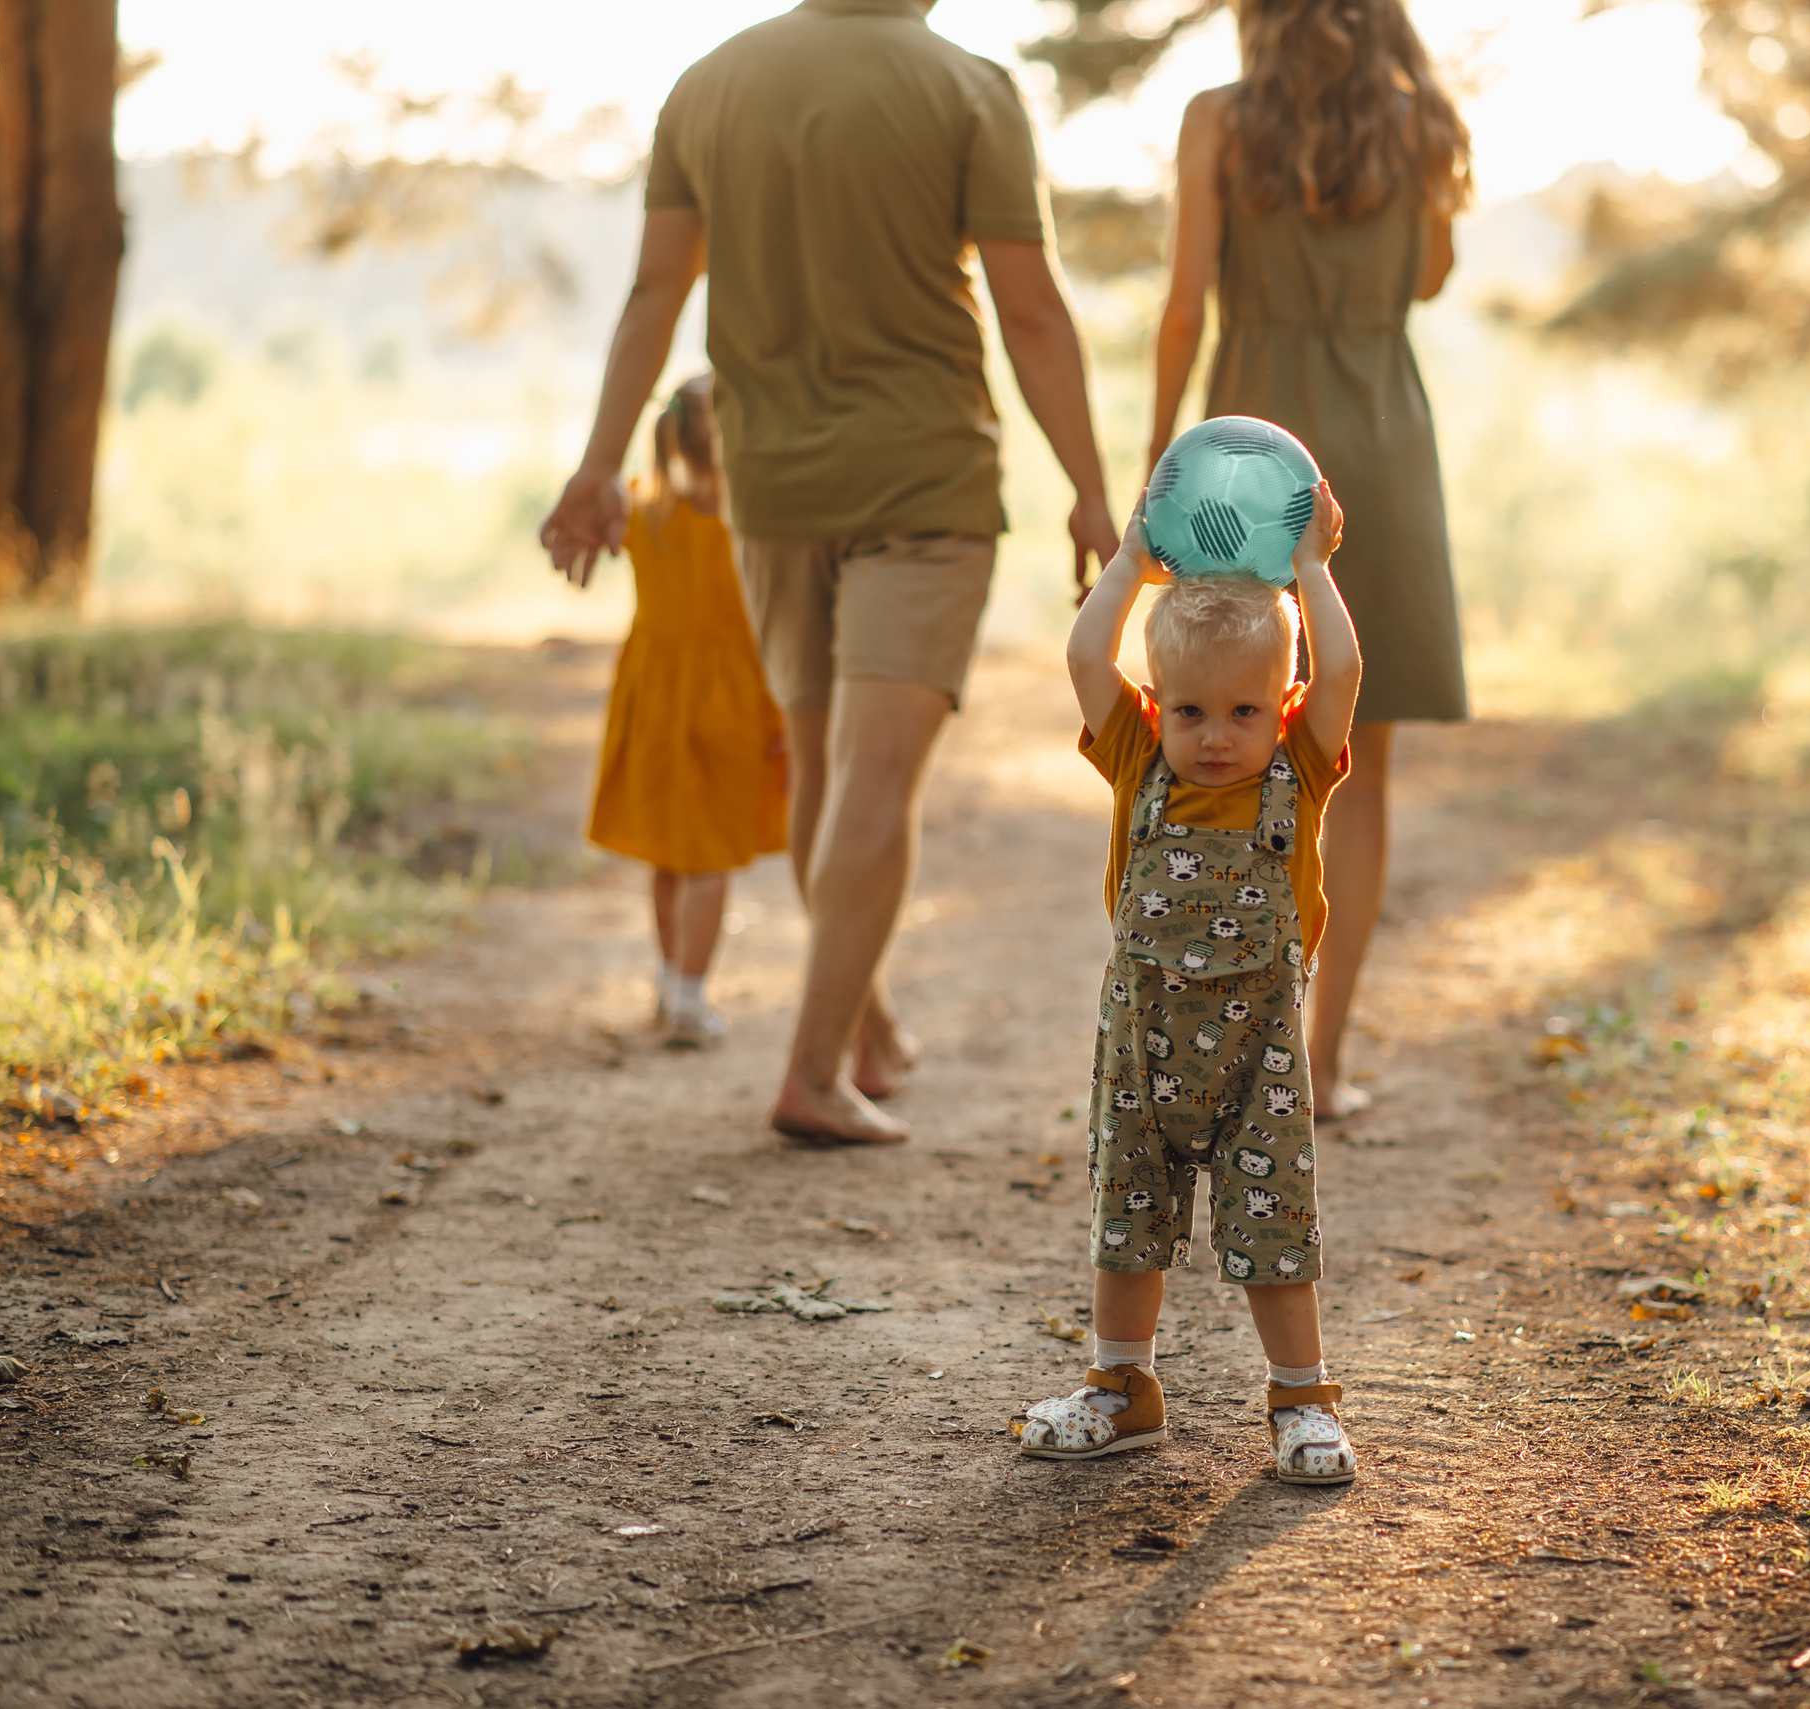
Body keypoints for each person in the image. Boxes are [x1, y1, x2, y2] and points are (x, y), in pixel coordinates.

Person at [539, 0, 1120, 1145]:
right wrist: (1093, 488)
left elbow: (656, 293)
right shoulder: (968, 89)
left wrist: (602, 463)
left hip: (770, 487)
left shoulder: (707, 84)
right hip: (924, 481)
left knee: (821, 766)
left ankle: (868, 1027)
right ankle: (812, 1070)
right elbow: (1033, 312)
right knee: (876, 777)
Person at [1145, 0, 1474, 1120]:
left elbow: (1185, 305)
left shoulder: (1216, 122)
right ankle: (1320, 1067)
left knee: (1219, 733)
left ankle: (1225, 1030)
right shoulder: (1422, 123)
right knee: (1356, 763)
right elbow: (1427, 278)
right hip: (1378, 445)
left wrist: (1157, 464)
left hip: (1247, 450)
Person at [1015, 486, 1361, 1484]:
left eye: (1243, 708)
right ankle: (1123, 1387)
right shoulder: (1135, 758)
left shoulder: (1299, 765)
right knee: (1129, 1215)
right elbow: (1087, 658)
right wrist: (1127, 563)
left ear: (1282, 704)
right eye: (1190, 709)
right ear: (1156, 704)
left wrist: (1312, 569)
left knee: (1273, 1220)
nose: (1216, 733)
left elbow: (1339, 663)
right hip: (1141, 1045)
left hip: (1259, 1056)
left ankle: (1301, 1398)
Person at [581, 376, 788, 1048]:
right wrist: (785, 721)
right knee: (708, 863)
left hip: (653, 699)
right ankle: (691, 998)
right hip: (730, 704)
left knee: (669, 857)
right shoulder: (752, 527)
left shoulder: (645, 511)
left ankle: (671, 981)